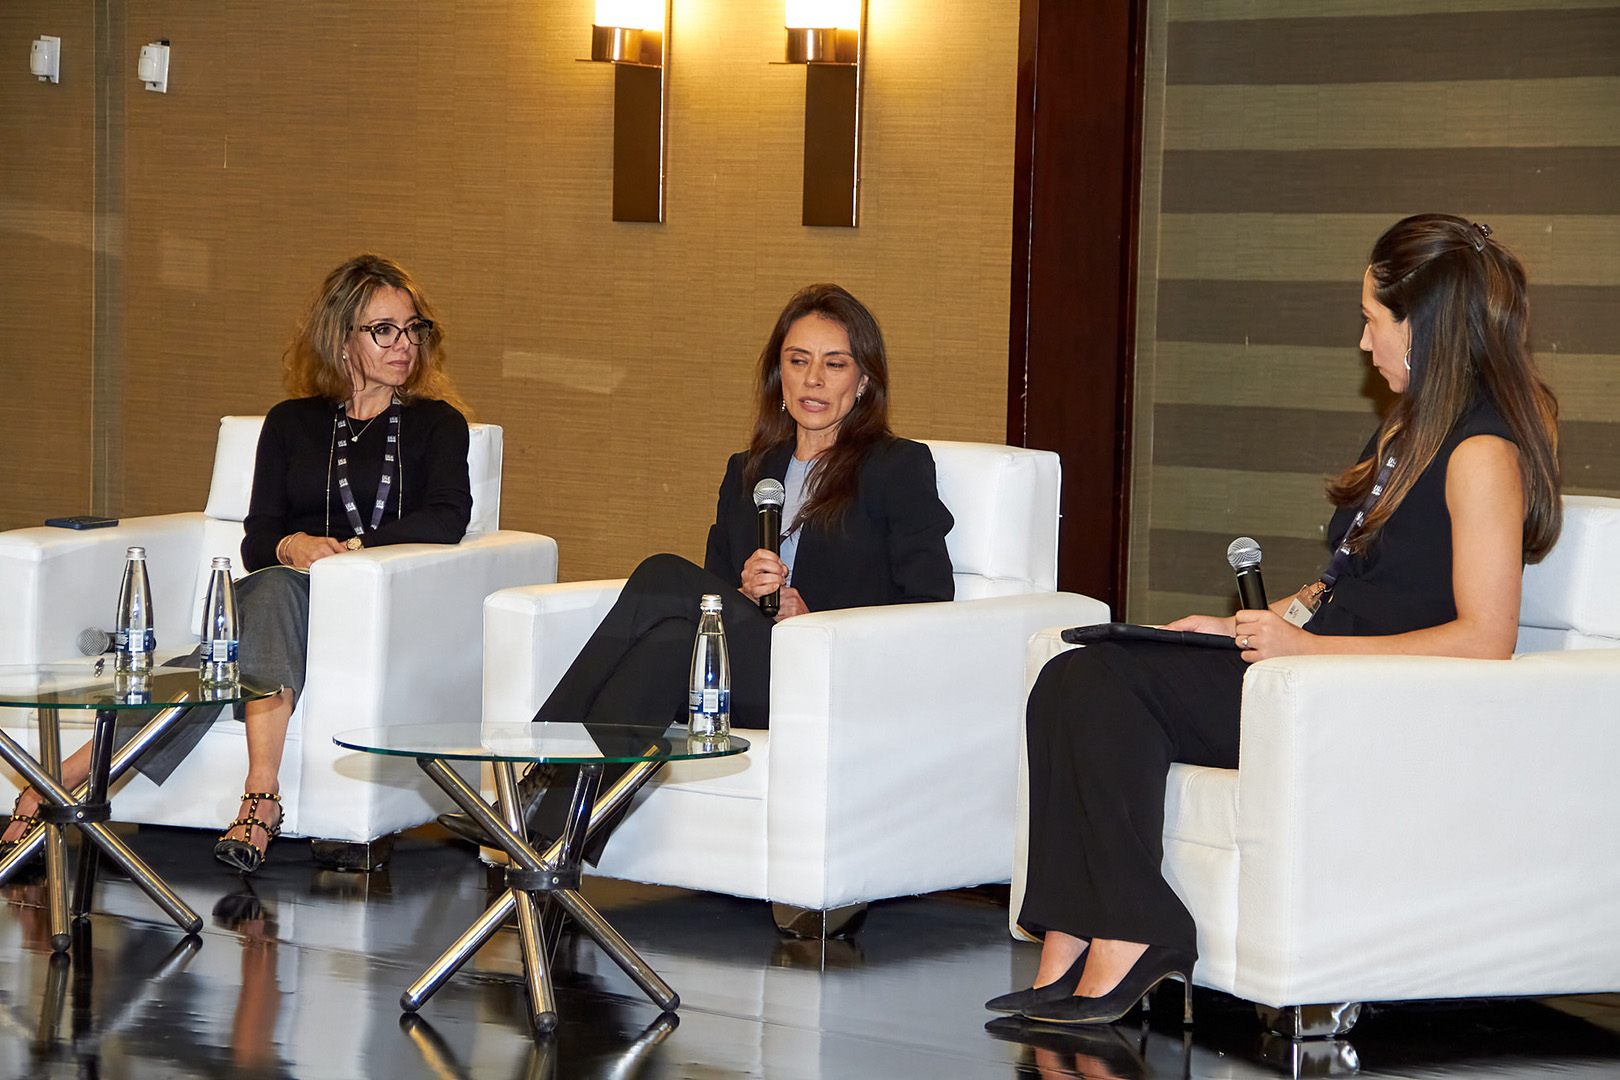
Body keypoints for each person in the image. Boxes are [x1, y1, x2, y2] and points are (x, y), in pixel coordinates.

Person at [990, 214, 1562, 1025]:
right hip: (1311, 674)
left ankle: (1133, 933)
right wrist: (1248, 627)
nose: (1363, 342)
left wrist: (1305, 652)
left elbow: (1486, 638)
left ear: (1423, 328)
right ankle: (1070, 936)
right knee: (1069, 672)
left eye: (1372, 320)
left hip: (1358, 702)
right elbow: (1345, 582)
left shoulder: (1482, 455)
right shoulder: (1411, 430)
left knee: (1107, 685)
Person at [438, 282, 955, 851]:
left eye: (834, 365)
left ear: (862, 382)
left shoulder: (896, 467)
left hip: (831, 673)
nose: (813, 380)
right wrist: (743, 592)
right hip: (747, 668)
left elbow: (929, 602)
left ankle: (529, 779)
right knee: (666, 645)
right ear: (778, 375)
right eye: (798, 361)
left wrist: (813, 616)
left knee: (662, 572)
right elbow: (709, 595)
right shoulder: (749, 471)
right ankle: (552, 837)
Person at [0, 254, 473, 874]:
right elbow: (258, 539)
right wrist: (292, 547)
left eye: (413, 328)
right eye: (383, 330)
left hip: (370, 608)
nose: (404, 344)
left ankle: (64, 780)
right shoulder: (291, 423)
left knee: (234, 635)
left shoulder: (436, 425)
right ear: (340, 339)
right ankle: (260, 795)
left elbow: (446, 519)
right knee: (267, 597)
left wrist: (348, 554)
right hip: (281, 593)